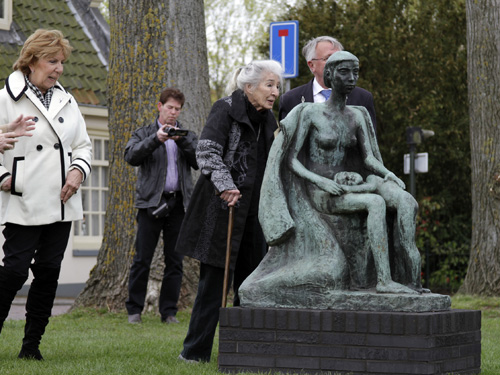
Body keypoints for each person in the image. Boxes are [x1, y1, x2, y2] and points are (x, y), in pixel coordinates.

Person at [239, 52, 424, 308]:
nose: (351, 79)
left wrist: (388, 175)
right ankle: (383, 280)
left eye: (355, 73)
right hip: (320, 191)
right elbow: (291, 160)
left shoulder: (357, 115)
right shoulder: (310, 113)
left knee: (406, 202)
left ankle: (411, 280)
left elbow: (369, 159)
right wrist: (320, 181)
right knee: (375, 203)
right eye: (344, 72)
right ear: (329, 75)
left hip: (347, 186)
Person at [176, 60, 283, 363]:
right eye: (269, 85)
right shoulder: (224, 108)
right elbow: (207, 151)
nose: (274, 92)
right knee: (213, 285)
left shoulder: (268, 119)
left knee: (250, 285)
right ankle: (194, 353)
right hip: (222, 209)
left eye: (277, 86)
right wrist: (226, 185)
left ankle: (245, 351)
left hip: (254, 213)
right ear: (249, 86)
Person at [0, 29, 92, 360]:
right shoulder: (5, 98)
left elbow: (83, 145)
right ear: (32, 60)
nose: (59, 69)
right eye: (52, 61)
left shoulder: (68, 100)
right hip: (24, 198)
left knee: (49, 273)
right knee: (13, 270)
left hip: (62, 201)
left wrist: (78, 171)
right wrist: (5, 176)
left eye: (62, 62)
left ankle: (31, 347)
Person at [124, 88, 198, 324]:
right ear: (160, 107)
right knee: (142, 259)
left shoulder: (186, 134)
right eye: (169, 108)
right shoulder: (145, 132)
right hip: (151, 204)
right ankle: (134, 310)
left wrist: (182, 140)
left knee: (175, 262)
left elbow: (199, 160)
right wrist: (156, 139)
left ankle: (169, 312)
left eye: (177, 109)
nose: (173, 113)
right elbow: (131, 156)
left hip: (178, 205)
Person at [278, 36, 377, 130]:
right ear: (312, 65)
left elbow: (370, 141)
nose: (337, 64)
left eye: (340, 59)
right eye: (329, 58)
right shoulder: (291, 100)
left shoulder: (362, 98)